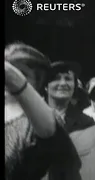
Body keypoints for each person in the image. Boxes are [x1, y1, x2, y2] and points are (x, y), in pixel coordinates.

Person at [5, 43, 76, 180]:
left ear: (39, 83)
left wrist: (12, 75)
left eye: (22, 73)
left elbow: (50, 130)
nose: (8, 80)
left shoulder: (39, 122)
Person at [46, 61, 95, 133]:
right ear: (45, 86)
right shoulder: (32, 116)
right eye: (56, 78)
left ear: (75, 85)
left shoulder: (86, 123)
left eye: (68, 79)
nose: (63, 83)